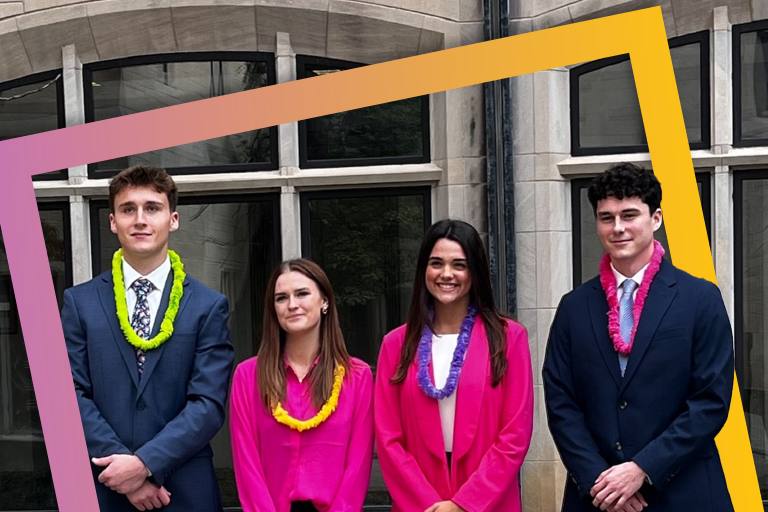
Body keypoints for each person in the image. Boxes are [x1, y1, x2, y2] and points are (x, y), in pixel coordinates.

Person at [542, 163, 734, 512]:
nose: (617, 228)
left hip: (684, 492)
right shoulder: (573, 307)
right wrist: (600, 478)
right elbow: (560, 401)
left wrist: (642, 468)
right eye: (606, 217)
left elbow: (711, 400)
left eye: (629, 215)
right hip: (597, 497)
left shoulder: (700, 298)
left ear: (656, 218)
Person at [62, 164, 234, 511]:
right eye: (128, 209)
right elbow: (68, 394)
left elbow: (208, 404)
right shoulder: (78, 303)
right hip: (101, 486)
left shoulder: (208, 306)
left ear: (173, 219)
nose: (140, 219)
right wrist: (122, 472)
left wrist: (144, 466)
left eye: (152, 208)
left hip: (184, 489)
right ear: (113, 222)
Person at [375, 219, 533, 512]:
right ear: (424, 269)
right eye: (436, 263)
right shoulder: (395, 345)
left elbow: (515, 434)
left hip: (489, 500)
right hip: (420, 501)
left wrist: (465, 504)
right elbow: (388, 439)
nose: (446, 274)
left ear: (475, 271)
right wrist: (430, 504)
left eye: (459, 264)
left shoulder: (508, 338)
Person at [230, 258, 374, 512]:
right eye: (281, 298)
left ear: (325, 301)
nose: (292, 305)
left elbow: (359, 464)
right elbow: (246, 463)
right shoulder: (248, 376)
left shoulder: (357, 377)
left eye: (302, 293)